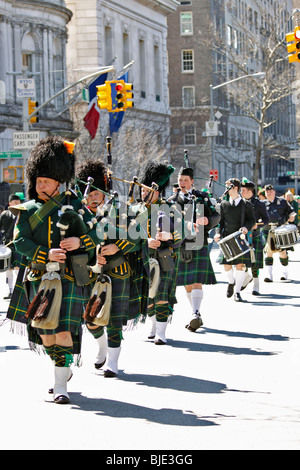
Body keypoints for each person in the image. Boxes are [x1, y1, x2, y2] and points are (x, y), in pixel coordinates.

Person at [5, 136, 100, 405]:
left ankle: (60, 384)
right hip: (39, 276)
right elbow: (19, 241)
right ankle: (63, 365)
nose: (40, 186)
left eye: (45, 181)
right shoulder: (26, 210)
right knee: (45, 332)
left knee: (63, 331)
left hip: (69, 276)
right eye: (37, 181)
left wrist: (80, 241)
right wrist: (45, 254)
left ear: (59, 181)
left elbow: (98, 234)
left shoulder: (77, 206)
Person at [76, 159, 149, 377]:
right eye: (89, 194)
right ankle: (102, 346)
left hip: (117, 271)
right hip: (89, 273)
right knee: (89, 319)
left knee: (114, 320)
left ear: (105, 192)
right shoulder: (78, 214)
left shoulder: (120, 209)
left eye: (97, 194)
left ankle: (113, 363)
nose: (93, 198)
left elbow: (138, 237)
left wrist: (116, 246)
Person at [169, 167, 220, 331]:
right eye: (180, 180)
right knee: (186, 283)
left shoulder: (202, 198)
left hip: (198, 241)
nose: (182, 183)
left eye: (185, 180)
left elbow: (216, 216)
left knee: (195, 280)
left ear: (192, 181)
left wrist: (208, 220)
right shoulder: (172, 200)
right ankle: (195, 313)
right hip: (180, 243)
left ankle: (195, 314)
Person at [139, 161, 182, 345]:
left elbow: (183, 233)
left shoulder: (170, 208)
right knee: (148, 295)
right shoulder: (136, 210)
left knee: (162, 294)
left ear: (157, 191)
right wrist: (145, 241)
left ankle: (161, 332)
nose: (143, 193)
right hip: (144, 256)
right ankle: (153, 323)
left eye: (146, 189)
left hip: (165, 256)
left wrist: (169, 235)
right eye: (141, 189)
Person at [214, 178, 256, 302]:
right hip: (226, 238)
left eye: (228, 187)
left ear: (235, 188)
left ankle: (237, 292)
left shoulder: (246, 205)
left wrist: (246, 227)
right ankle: (231, 282)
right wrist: (217, 234)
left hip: (240, 238)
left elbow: (251, 220)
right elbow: (219, 223)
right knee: (226, 265)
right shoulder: (223, 204)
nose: (226, 190)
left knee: (240, 265)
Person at [240, 178, 269, 295]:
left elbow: (266, 219)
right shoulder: (240, 203)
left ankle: (256, 285)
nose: (241, 192)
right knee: (241, 261)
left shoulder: (259, 204)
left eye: (243, 190)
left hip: (255, 235)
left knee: (254, 262)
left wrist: (258, 225)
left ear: (249, 191)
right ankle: (246, 277)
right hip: (242, 236)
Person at [262, 184, 296, 282]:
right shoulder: (262, 203)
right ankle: (269, 275)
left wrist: (292, 216)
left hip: (280, 230)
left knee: (282, 253)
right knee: (268, 252)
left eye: (270, 191)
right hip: (267, 230)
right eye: (267, 192)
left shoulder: (282, 202)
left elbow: (292, 211)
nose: (268, 193)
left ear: (274, 192)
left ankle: (284, 273)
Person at [0, 194, 21, 299]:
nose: (17, 203)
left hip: (19, 245)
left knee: (18, 268)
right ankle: (11, 291)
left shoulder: (23, 213)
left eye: (18, 202)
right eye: (15, 202)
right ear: (10, 203)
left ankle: (18, 291)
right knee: (8, 269)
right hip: (7, 245)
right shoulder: (5, 214)